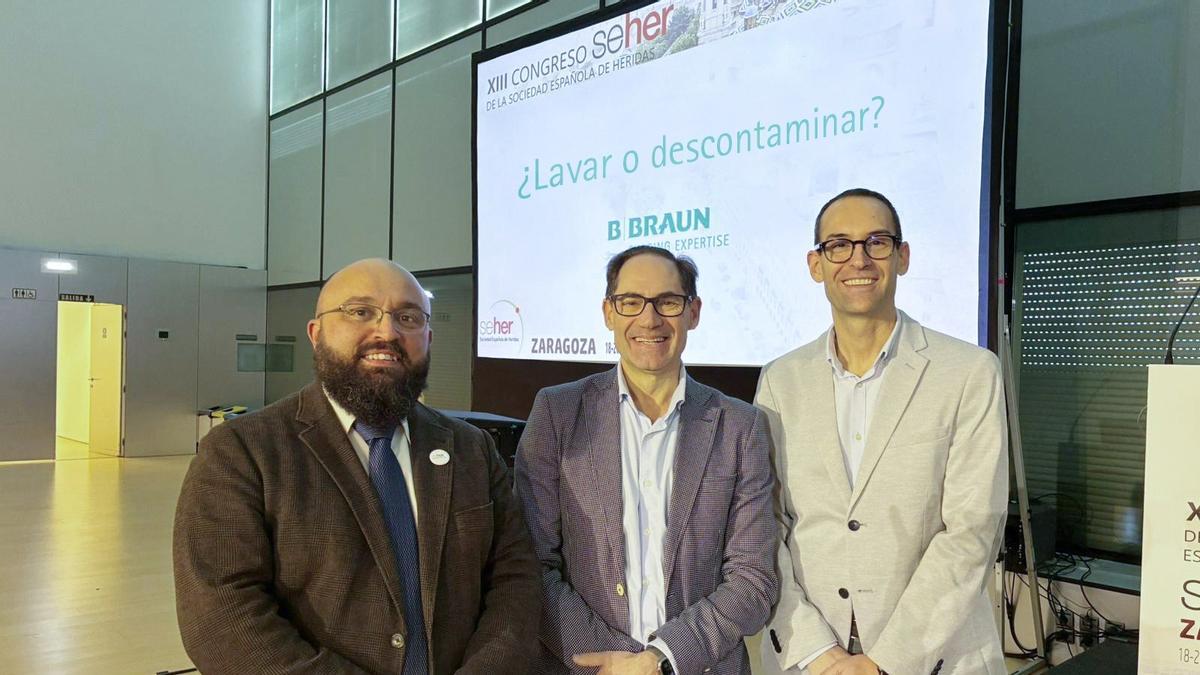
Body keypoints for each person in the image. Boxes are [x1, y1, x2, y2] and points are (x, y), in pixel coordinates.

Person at [173, 258, 540, 674]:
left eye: (408, 317)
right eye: (360, 312)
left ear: (429, 338)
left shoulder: (471, 449)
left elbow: (516, 580)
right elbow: (221, 619)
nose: (387, 331)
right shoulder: (242, 451)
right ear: (316, 334)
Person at [757, 189, 1008, 675]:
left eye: (876, 242)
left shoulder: (969, 372)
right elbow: (766, 526)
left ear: (902, 256)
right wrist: (817, 651)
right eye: (839, 245)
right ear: (816, 264)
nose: (859, 259)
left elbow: (971, 531)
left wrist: (884, 662)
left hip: (934, 656)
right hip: (811, 656)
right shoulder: (780, 380)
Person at [515, 245, 778, 674]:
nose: (649, 318)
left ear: (693, 312)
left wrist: (660, 660)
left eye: (668, 302)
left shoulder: (739, 426)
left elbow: (753, 579)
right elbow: (529, 561)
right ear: (608, 312)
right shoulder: (558, 414)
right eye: (631, 302)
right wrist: (611, 661)